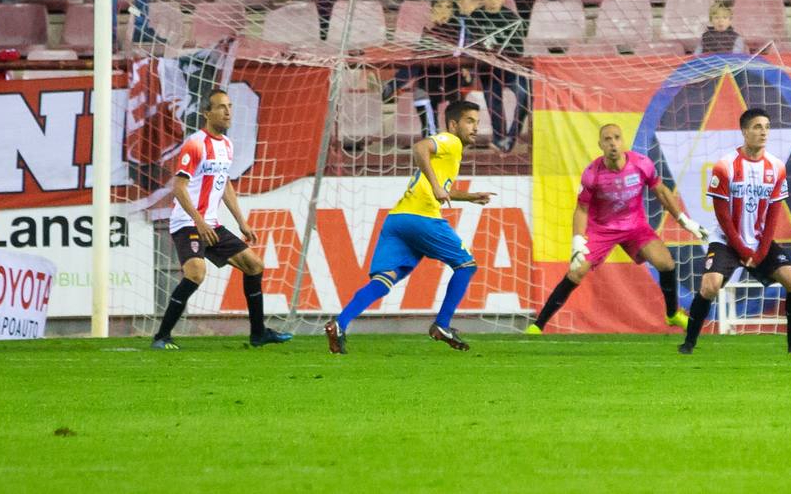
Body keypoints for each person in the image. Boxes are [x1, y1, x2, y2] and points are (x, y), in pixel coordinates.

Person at [327, 98, 490, 353]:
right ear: (453, 124)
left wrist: (469, 197)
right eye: (470, 121)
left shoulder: (449, 153)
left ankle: (339, 323)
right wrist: (437, 187)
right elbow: (419, 147)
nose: (475, 127)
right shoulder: (450, 141)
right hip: (422, 218)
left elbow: (441, 188)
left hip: (397, 220)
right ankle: (442, 325)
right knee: (466, 265)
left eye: (477, 122)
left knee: (384, 279)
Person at [529, 122, 704, 333]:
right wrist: (577, 241)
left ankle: (672, 314)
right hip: (601, 229)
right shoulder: (592, 174)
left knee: (666, 263)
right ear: (600, 145)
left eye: (616, 138)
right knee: (576, 272)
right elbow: (582, 209)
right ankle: (538, 325)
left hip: (635, 227)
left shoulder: (641, 164)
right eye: (608, 139)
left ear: (623, 141)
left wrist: (685, 220)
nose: (613, 143)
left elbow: (661, 191)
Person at [150, 88, 290, 350]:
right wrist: (199, 221)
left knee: (254, 265)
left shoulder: (226, 145)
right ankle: (161, 337)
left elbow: (224, 184)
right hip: (188, 223)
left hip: (211, 224)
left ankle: (258, 334)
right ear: (207, 113)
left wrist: (241, 222)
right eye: (221, 107)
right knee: (196, 272)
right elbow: (179, 187)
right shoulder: (195, 143)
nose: (227, 112)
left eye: (229, 106)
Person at [681, 105, 791, 356]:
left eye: (767, 127)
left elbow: (774, 212)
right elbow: (721, 213)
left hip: (760, 242)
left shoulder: (776, 167)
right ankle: (688, 343)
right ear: (744, 131)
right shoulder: (726, 165)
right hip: (727, 241)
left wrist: (761, 251)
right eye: (757, 127)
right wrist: (741, 248)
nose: (763, 132)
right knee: (710, 285)